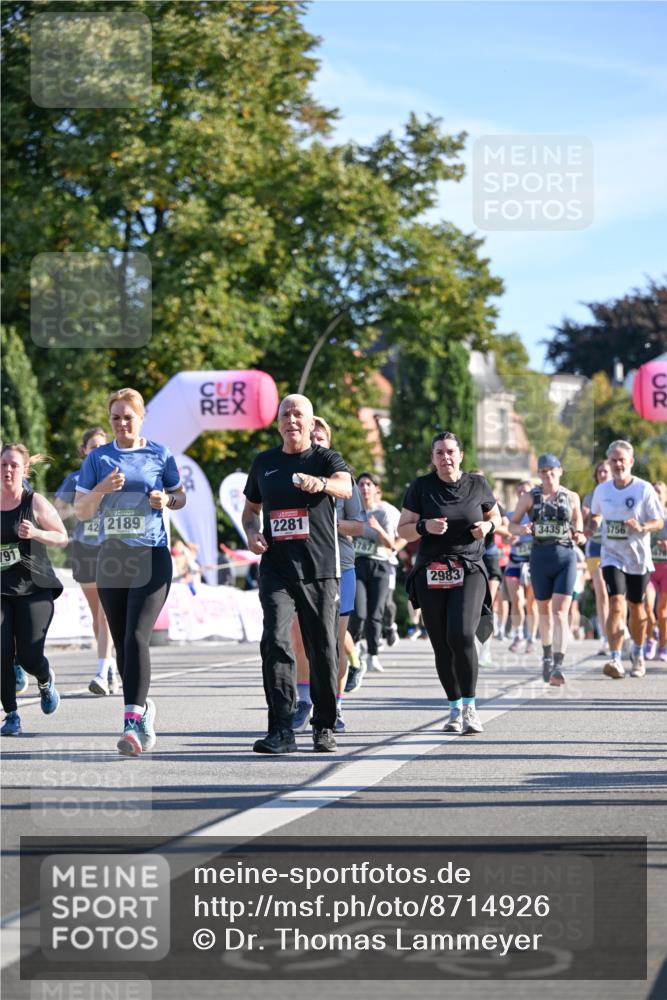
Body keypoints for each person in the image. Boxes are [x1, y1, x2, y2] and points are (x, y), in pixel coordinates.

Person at [74, 388, 186, 754]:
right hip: (112, 558)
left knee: (137, 635)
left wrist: (166, 500)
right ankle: (144, 708)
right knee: (123, 643)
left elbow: (180, 496)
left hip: (151, 556)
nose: (122, 423)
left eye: (128, 417)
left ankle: (131, 723)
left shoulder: (160, 454)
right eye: (116, 418)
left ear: (141, 418)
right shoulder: (98, 459)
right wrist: (102, 490)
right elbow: (82, 511)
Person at [242, 393, 352, 754]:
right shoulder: (265, 463)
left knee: (322, 648)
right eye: (285, 414)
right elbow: (250, 510)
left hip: (320, 568)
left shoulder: (324, 458)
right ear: (278, 423)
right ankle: (281, 729)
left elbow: (345, 486)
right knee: (274, 641)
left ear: (310, 421)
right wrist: (252, 532)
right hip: (277, 568)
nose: (291, 419)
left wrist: (319, 484)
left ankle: (323, 725)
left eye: (298, 414)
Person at [397, 432, 501, 736]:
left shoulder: (477, 484)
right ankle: (454, 708)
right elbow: (402, 530)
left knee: (460, 633)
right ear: (432, 458)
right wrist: (423, 526)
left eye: (450, 452)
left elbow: (498, 518)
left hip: (468, 566)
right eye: (439, 453)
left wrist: (488, 526)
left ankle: (470, 707)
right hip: (432, 568)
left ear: (461, 455)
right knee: (441, 643)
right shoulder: (421, 487)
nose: (445, 458)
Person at [291, 416, 366, 732]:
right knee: (299, 639)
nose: (317, 441)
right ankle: (305, 700)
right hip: (299, 566)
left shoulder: (343, 478)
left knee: (334, 643)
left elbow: (359, 525)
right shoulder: (291, 476)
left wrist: (328, 526)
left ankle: (334, 704)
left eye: (322, 437)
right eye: (313, 436)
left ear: (328, 443)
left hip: (339, 566)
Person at [1, 444, 67, 736]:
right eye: (3, 465)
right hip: (2, 591)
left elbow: (62, 537)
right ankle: (11, 714)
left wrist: (37, 532)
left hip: (34, 589)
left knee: (28, 655)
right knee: (1, 653)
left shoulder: (34, 501)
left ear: (25, 470)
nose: (8, 470)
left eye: (14, 465)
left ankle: (43, 678)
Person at [509, 454, 586, 685]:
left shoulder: (571, 497)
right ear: (538, 474)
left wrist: (579, 534)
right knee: (543, 611)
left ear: (560, 471)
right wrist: (522, 529)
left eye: (552, 470)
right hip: (540, 557)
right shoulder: (529, 497)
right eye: (543, 471)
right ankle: (546, 653)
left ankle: (558, 664)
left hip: (565, 556)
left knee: (560, 611)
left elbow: (578, 523)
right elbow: (511, 524)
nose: (548, 475)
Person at [590, 440, 664, 679]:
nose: (618, 464)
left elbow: (659, 522)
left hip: (638, 558)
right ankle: (615, 657)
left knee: (636, 606)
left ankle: (638, 652)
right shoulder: (602, 490)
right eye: (614, 460)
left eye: (622, 460)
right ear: (609, 463)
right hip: (612, 555)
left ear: (631, 462)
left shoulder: (643, 489)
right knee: (616, 603)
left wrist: (641, 526)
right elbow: (596, 516)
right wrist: (591, 526)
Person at [55, 427, 119, 696]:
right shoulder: (76, 478)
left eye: (102, 446)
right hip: (84, 548)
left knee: (106, 612)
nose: (97, 451)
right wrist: (80, 509)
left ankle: (102, 670)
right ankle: (111, 664)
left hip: (110, 547)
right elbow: (58, 509)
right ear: (84, 451)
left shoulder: (115, 477)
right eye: (92, 447)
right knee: (97, 615)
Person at [348, 472, 398, 674]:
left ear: (376, 489)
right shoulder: (351, 513)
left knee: (376, 613)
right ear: (357, 489)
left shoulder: (382, 513)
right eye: (361, 484)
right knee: (359, 613)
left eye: (369, 484)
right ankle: (356, 647)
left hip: (379, 566)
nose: (365, 488)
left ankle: (373, 655)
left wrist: (378, 529)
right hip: (357, 565)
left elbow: (391, 544)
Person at [503, 481, 538, 653]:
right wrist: (509, 539)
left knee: (532, 604)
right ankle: (518, 635)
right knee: (516, 600)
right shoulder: (511, 515)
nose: (523, 495)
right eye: (520, 492)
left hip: (533, 564)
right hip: (515, 562)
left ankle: (531, 637)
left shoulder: (539, 514)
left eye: (526, 491)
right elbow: (504, 538)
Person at [581, 460, 612, 656]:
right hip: (595, 548)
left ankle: (619, 629)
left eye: (605, 471)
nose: (602, 474)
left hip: (617, 548)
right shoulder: (591, 497)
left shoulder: (619, 493)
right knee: (601, 593)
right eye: (599, 471)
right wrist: (591, 516)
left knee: (617, 593)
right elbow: (586, 523)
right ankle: (605, 637)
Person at [646, 481, 667, 661]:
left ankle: (663, 645)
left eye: (659, 492)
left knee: (663, 612)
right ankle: (651, 639)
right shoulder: (646, 516)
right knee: (646, 607)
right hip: (650, 569)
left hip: (666, 569)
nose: (657, 494)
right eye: (654, 491)